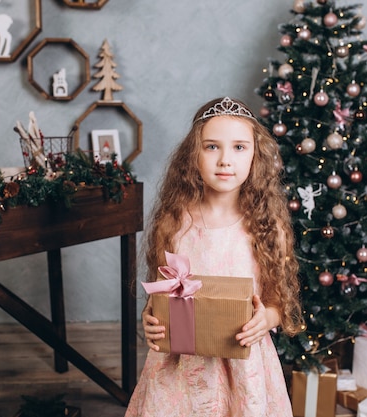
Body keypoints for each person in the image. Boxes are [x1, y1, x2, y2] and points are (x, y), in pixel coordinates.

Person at [125, 97, 304, 417]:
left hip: (242, 366)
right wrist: (150, 319)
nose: (225, 160)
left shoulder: (265, 226)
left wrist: (267, 319)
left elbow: (278, 303)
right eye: (211, 147)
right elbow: (161, 295)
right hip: (181, 368)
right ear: (193, 154)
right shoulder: (175, 221)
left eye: (239, 147)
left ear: (256, 155)